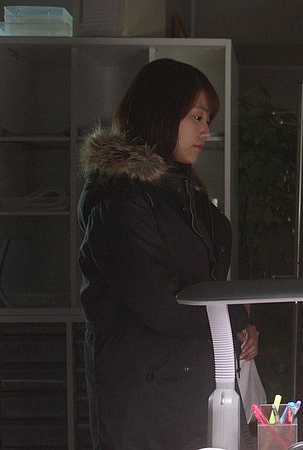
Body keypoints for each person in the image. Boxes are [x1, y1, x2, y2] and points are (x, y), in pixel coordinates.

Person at [77, 58, 259, 449]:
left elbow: (204, 281)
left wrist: (239, 321)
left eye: (208, 119)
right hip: (147, 392)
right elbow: (160, 302)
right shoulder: (121, 196)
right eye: (197, 117)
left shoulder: (183, 191)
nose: (206, 130)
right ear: (161, 113)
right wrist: (232, 320)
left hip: (191, 378)